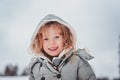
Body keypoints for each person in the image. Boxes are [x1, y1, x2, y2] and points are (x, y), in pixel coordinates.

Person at [28, 14, 96, 80]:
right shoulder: (36, 66)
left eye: (57, 37)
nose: (52, 43)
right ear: (39, 42)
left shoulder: (77, 60)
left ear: (65, 38)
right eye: (46, 39)